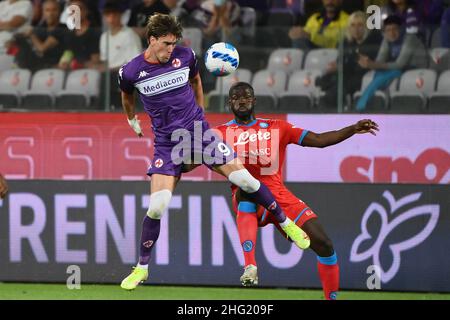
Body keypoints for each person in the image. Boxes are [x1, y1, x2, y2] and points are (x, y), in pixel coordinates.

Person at [118, 13, 310, 291]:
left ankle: (286, 222)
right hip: (167, 145)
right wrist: (131, 119)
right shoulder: (131, 71)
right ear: (152, 40)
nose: (171, 49)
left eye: (174, 43)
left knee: (246, 181)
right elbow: (127, 96)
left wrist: (200, 113)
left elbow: (196, 81)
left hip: (200, 135)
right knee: (157, 207)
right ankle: (142, 268)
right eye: (166, 43)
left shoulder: (186, 56)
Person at [213, 81, 379, 300]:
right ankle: (250, 266)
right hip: (248, 199)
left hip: (279, 196)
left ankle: (331, 298)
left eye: (246, 96)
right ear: (229, 103)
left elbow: (319, 140)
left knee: (325, 245)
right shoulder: (220, 133)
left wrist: (352, 129)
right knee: (247, 186)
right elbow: (197, 159)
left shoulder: (277, 127)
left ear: (254, 101)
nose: (241, 100)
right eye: (236, 97)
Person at [355, 14, 427, 112]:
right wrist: (369, 63)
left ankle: (361, 106)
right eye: (388, 30)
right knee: (378, 73)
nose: (391, 33)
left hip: (415, 68)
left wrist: (373, 64)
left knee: (383, 76)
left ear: (401, 29)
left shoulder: (410, 39)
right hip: (399, 67)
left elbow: (400, 64)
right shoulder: (387, 39)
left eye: (395, 29)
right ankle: (377, 103)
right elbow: (380, 61)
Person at [316, 11, 382, 110]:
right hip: (345, 75)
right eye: (353, 25)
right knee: (327, 80)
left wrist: (342, 65)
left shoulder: (374, 41)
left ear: (366, 27)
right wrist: (340, 66)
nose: (356, 29)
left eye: (360, 25)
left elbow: (361, 65)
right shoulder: (346, 42)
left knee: (337, 85)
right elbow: (341, 61)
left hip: (363, 77)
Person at [14, 0, 66, 71]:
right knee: (18, 39)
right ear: (43, 12)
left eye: (54, 10)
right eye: (47, 10)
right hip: (37, 65)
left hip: (52, 65)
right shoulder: (40, 28)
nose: (50, 13)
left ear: (60, 12)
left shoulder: (63, 28)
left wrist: (31, 35)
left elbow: (42, 48)